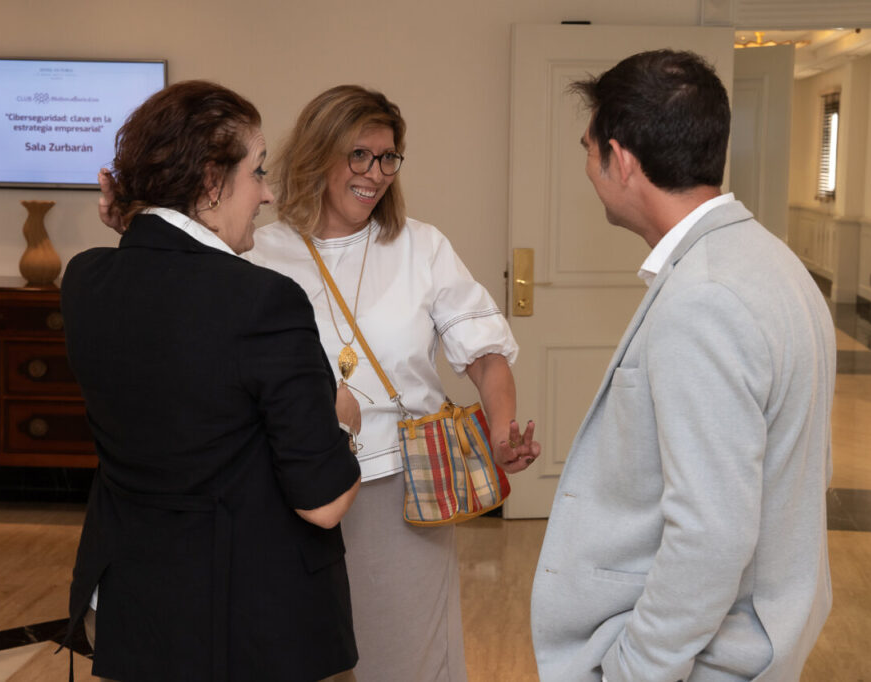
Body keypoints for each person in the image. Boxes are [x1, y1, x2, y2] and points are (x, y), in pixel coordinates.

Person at [97, 83, 542, 681]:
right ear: (319, 154)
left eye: (388, 158)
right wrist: (130, 220)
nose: (375, 173)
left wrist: (502, 426)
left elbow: (485, 355)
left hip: (398, 489)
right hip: (286, 491)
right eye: (359, 154)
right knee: (301, 660)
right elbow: (178, 282)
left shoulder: (421, 247)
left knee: (404, 661)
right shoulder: (256, 249)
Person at [530, 50, 835, 681]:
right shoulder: (769, 259)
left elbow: (711, 535)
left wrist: (636, 670)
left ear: (622, 160)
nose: (587, 169)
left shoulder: (706, 298)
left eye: (588, 150)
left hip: (710, 661)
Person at [62, 80, 362, 681]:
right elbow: (324, 504)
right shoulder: (264, 302)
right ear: (209, 179)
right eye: (259, 173)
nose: (269, 194)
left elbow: (163, 296)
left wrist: (134, 220)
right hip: (244, 623)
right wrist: (342, 421)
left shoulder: (85, 280)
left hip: (132, 605)